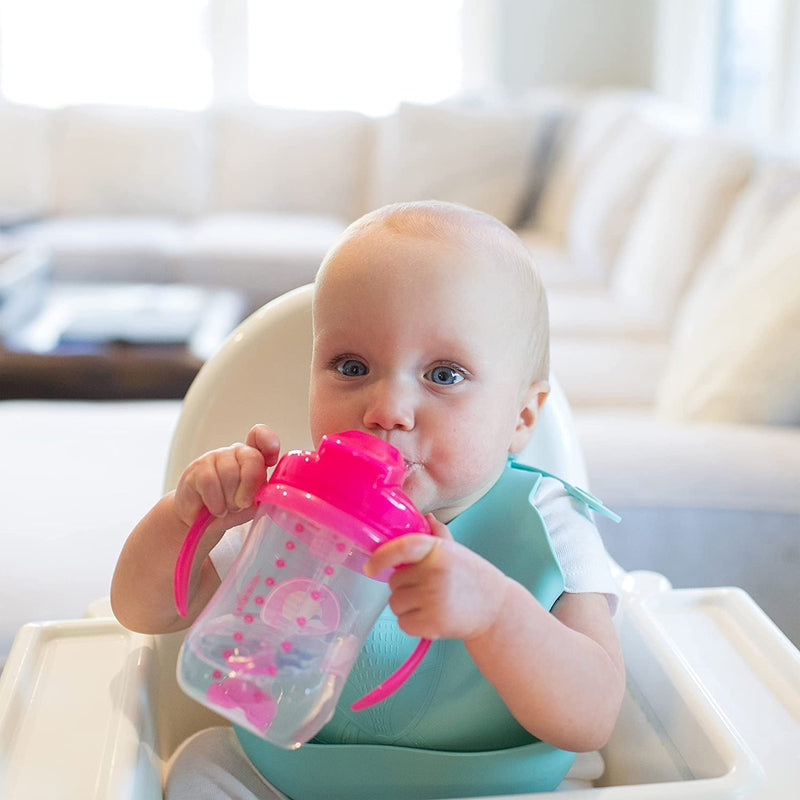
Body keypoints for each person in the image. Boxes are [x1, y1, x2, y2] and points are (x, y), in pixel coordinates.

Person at [111, 200, 624, 799]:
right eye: (351, 366)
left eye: (444, 374)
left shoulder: (548, 522)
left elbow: (594, 715)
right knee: (201, 768)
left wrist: (495, 613)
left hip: (496, 785)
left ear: (522, 415)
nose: (386, 410)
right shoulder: (299, 507)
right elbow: (144, 613)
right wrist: (186, 520)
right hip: (288, 775)